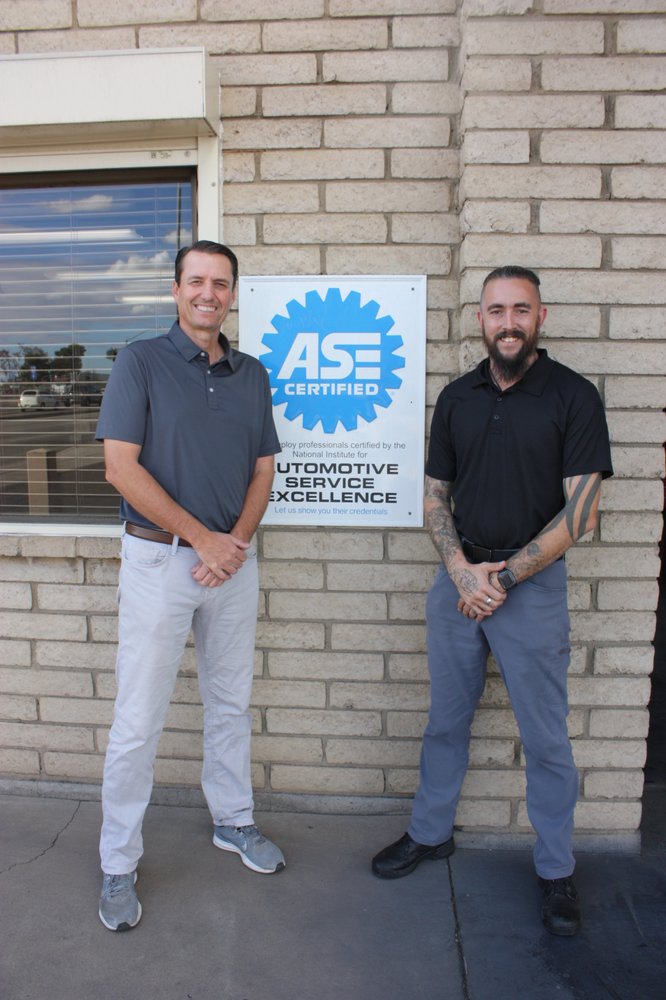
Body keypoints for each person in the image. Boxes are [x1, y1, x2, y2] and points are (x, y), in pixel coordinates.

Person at [371, 266, 612, 937]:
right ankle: (430, 833)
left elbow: (581, 514)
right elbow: (434, 497)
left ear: (540, 317)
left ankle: (556, 869)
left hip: (530, 590)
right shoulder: (457, 398)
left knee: (545, 737)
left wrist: (500, 582)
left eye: (521, 310)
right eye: (497, 310)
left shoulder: (573, 396)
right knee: (445, 721)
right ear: (479, 318)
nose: (509, 322)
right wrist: (460, 572)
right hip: (459, 582)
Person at [96, 240, 284, 932]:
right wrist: (203, 538)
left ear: (232, 294)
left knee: (230, 703)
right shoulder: (140, 362)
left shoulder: (251, 373)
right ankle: (118, 861)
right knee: (138, 719)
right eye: (197, 281)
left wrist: (231, 544)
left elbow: (263, 470)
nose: (209, 292)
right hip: (160, 562)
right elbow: (121, 467)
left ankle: (233, 820)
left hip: (231, 564)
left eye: (221, 282)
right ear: (176, 291)